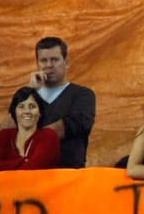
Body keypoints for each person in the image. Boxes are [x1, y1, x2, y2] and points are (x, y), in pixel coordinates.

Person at [30, 37, 96, 168]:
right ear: (37, 64)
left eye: (54, 60)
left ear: (66, 63)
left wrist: (29, 138)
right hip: (31, 175)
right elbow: (5, 131)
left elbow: (74, 124)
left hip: (68, 175)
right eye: (43, 60)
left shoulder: (83, 95)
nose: (49, 65)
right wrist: (30, 93)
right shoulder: (28, 95)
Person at [0, 87, 61, 172]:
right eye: (21, 107)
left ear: (40, 113)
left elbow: (33, 169)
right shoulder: (3, 136)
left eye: (32, 106)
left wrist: (6, 166)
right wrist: (23, 161)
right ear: (14, 112)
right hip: (5, 185)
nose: (27, 111)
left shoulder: (49, 136)